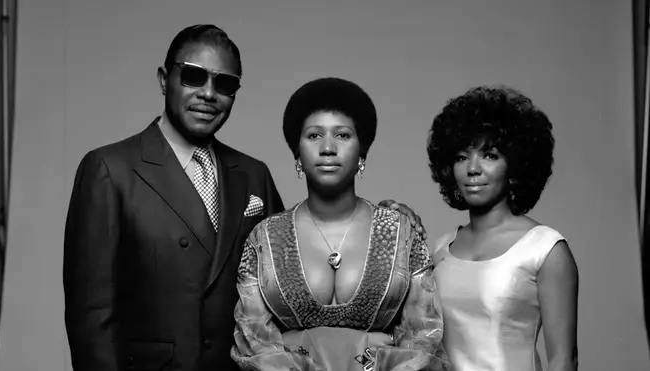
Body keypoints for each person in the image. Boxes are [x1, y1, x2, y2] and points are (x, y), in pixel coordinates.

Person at [63, 25, 425, 371]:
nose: (208, 93)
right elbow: (90, 314)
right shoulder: (111, 169)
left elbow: (291, 274)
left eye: (225, 83)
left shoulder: (252, 173)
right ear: (163, 79)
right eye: (193, 76)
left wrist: (386, 229)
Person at [231, 77, 451, 371]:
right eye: (313, 136)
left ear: (363, 151)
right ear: (297, 153)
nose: (328, 148)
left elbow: (423, 334)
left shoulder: (401, 232)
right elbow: (254, 338)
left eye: (343, 135)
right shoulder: (266, 237)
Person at [426, 86, 579, 371]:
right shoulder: (441, 250)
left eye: (490, 155)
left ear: (515, 164)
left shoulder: (545, 250)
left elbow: (563, 360)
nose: (472, 168)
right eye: (461, 156)